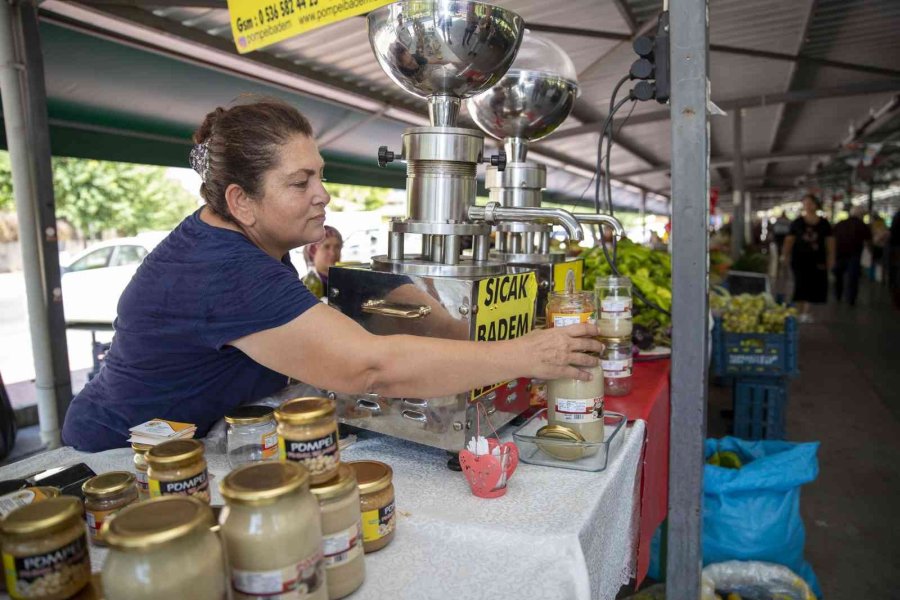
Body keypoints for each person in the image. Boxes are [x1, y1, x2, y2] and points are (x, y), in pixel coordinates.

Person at [61, 99, 601, 451]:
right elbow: (369, 368)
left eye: (320, 175)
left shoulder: (244, 239)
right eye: (300, 183)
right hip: (118, 460)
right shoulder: (223, 269)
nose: (323, 194)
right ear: (240, 200)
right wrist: (529, 354)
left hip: (192, 440)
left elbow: (330, 318)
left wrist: (468, 340)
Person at [781, 194, 835, 322]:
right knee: (800, 284)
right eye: (805, 203)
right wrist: (785, 255)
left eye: (810, 203)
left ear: (816, 205)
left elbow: (830, 242)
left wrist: (831, 259)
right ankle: (799, 311)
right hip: (799, 259)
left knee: (813, 285)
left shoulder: (824, 224)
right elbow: (789, 240)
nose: (808, 206)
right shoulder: (797, 223)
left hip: (818, 260)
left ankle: (806, 311)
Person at [831, 206, 871, 306]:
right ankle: (851, 300)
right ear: (861, 215)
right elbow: (869, 240)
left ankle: (838, 295)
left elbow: (832, 237)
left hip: (839, 254)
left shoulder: (840, 223)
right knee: (853, 278)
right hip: (854, 255)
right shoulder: (862, 225)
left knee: (838, 276)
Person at [302, 225, 342, 299]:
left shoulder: (344, 282)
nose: (333, 253)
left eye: (337, 247)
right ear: (312, 252)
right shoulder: (306, 285)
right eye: (326, 247)